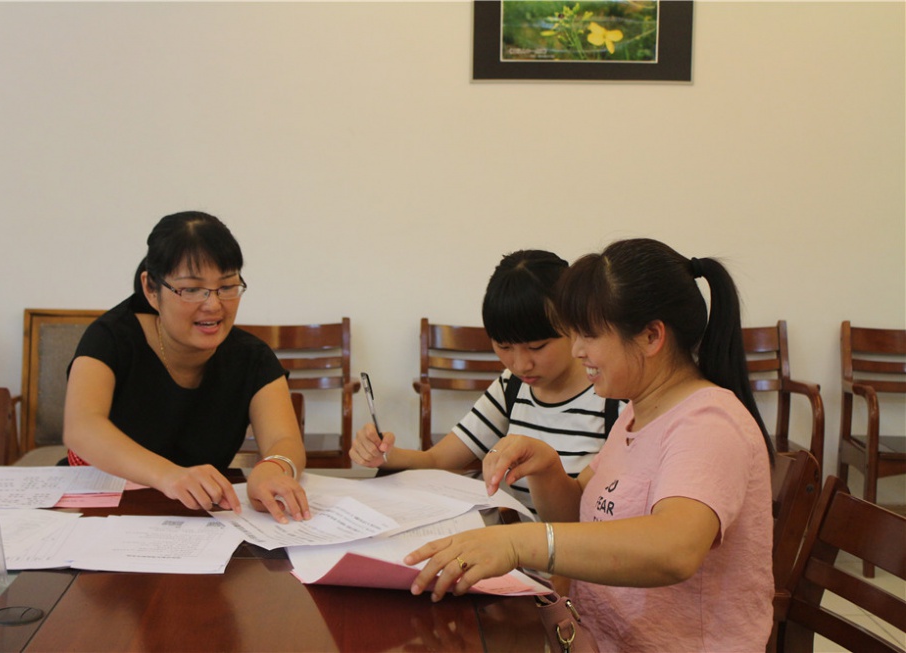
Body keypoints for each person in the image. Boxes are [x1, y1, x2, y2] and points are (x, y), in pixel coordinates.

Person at [404, 238, 775, 652]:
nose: (577, 350)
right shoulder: (636, 413)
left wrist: (519, 543)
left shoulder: (708, 422)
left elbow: (675, 549)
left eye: (588, 334)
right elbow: (580, 513)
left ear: (651, 336)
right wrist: (547, 469)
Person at [63, 211, 310, 523]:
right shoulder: (111, 337)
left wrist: (272, 469)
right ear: (151, 289)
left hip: (199, 517)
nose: (213, 304)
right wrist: (169, 475)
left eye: (227, 286)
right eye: (192, 289)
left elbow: (284, 440)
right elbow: (82, 427)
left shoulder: (252, 357)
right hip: (101, 509)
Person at [350, 249, 620, 511]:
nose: (520, 364)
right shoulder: (512, 386)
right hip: (515, 535)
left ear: (574, 326)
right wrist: (383, 454)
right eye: (504, 346)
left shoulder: (613, 398)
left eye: (537, 347)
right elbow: (437, 460)